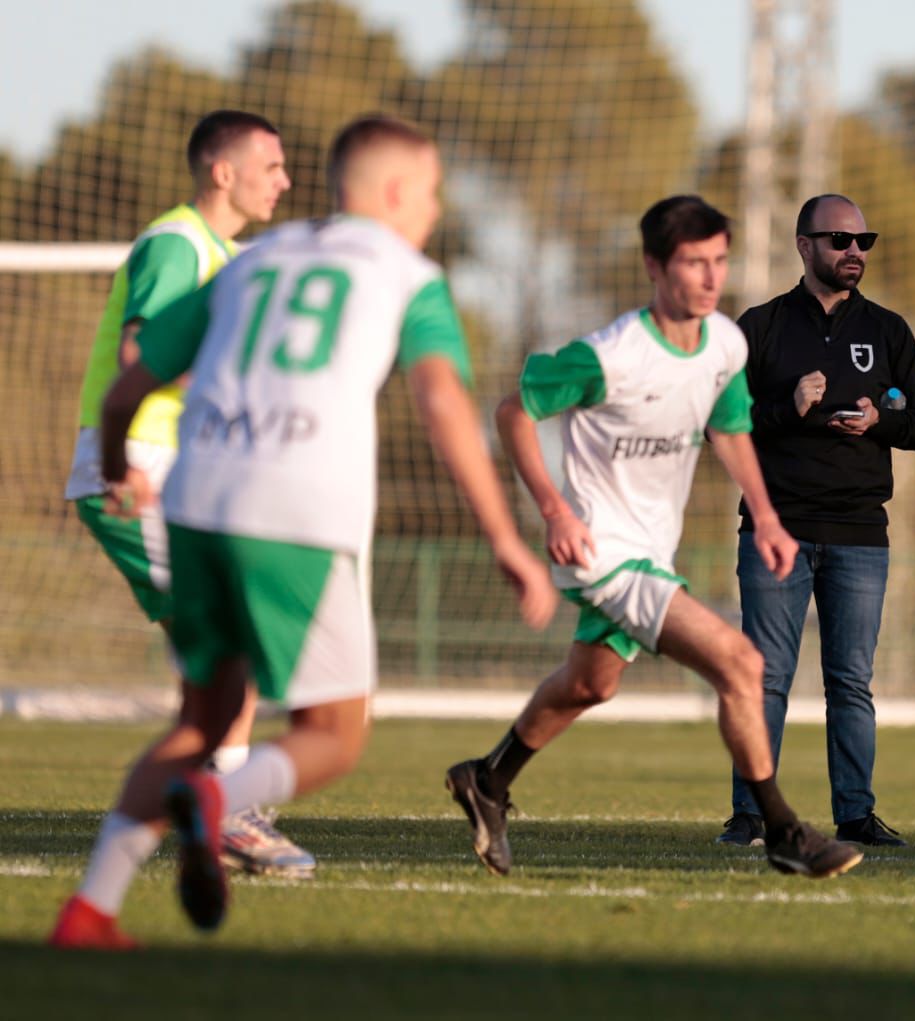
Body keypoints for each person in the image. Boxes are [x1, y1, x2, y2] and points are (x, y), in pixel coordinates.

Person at [48, 114, 558, 949]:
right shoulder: (407, 273)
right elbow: (441, 403)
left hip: (197, 496)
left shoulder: (252, 263)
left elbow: (120, 391)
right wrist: (506, 537)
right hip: (297, 510)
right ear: (395, 193)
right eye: (430, 192)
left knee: (200, 718)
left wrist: (115, 466)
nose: (433, 209)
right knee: (334, 733)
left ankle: (89, 910)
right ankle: (220, 804)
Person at [444, 195, 864, 881]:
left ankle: (488, 779)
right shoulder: (611, 356)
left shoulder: (725, 343)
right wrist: (552, 508)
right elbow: (512, 410)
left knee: (589, 684)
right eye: (694, 262)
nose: (710, 277)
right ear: (654, 266)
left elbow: (728, 425)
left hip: (649, 550)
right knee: (739, 662)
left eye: (719, 261)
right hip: (601, 554)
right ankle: (785, 829)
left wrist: (766, 515)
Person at [60, 109, 315, 878]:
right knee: (229, 646)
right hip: (139, 468)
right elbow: (143, 351)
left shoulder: (227, 255)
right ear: (222, 171)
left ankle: (187, 807)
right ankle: (227, 812)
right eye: (271, 165)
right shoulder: (177, 242)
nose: (286, 180)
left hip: (181, 472)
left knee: (215, 664)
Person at [715, 194, 915, 849]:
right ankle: (752, 813)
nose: (855, 251)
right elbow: (721, 427)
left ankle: (856, 814)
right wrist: (788, 404)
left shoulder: (890, 330)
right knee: (765, 677)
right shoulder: (759, 327)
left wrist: (882, 421)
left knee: (851, 681)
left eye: (863, 239)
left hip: (860, 534)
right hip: (774, 528)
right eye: (840, 239)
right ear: (804, 244)